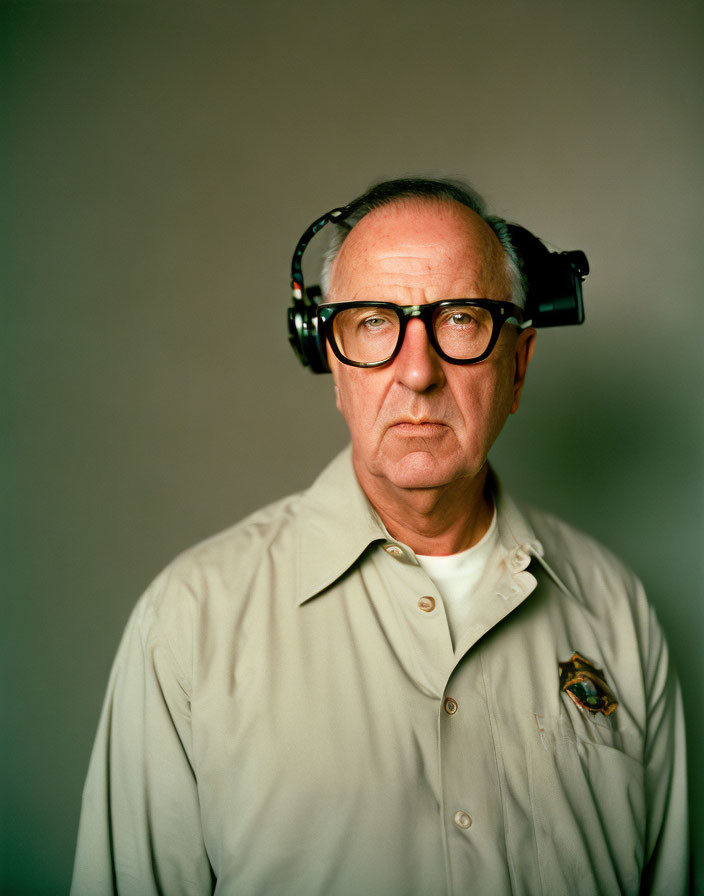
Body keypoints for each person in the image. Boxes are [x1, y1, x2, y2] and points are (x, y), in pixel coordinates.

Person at [71, 177, 688, 895]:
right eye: (372, 322)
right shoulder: (189, 623)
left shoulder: (617, 613)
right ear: (332, 363)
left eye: (461, 318)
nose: (419, 371)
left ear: (518, 366)